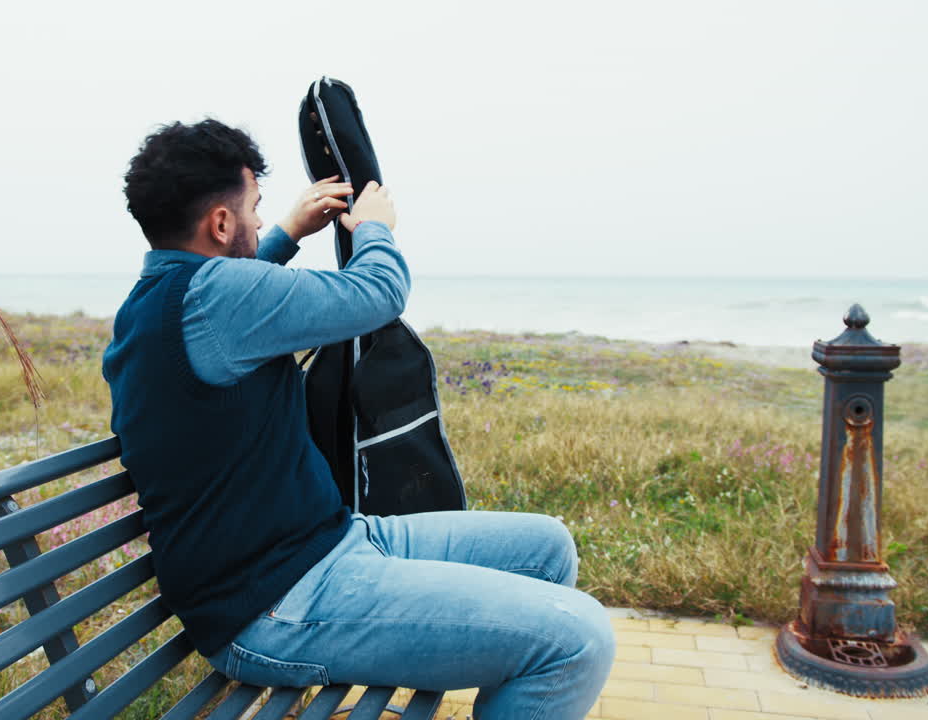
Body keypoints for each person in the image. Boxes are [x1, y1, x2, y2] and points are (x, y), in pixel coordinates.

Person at [103, 118, 614, 719]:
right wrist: (375, 228)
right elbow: (377, 294)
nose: (263, 221)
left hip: (328, 545)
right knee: (577, 639)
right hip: (277, 605)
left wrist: (288, 234)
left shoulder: (166, 298)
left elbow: (240, 294)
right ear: (220, 224)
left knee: (546, 548)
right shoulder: (216, 298)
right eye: (256, 208)